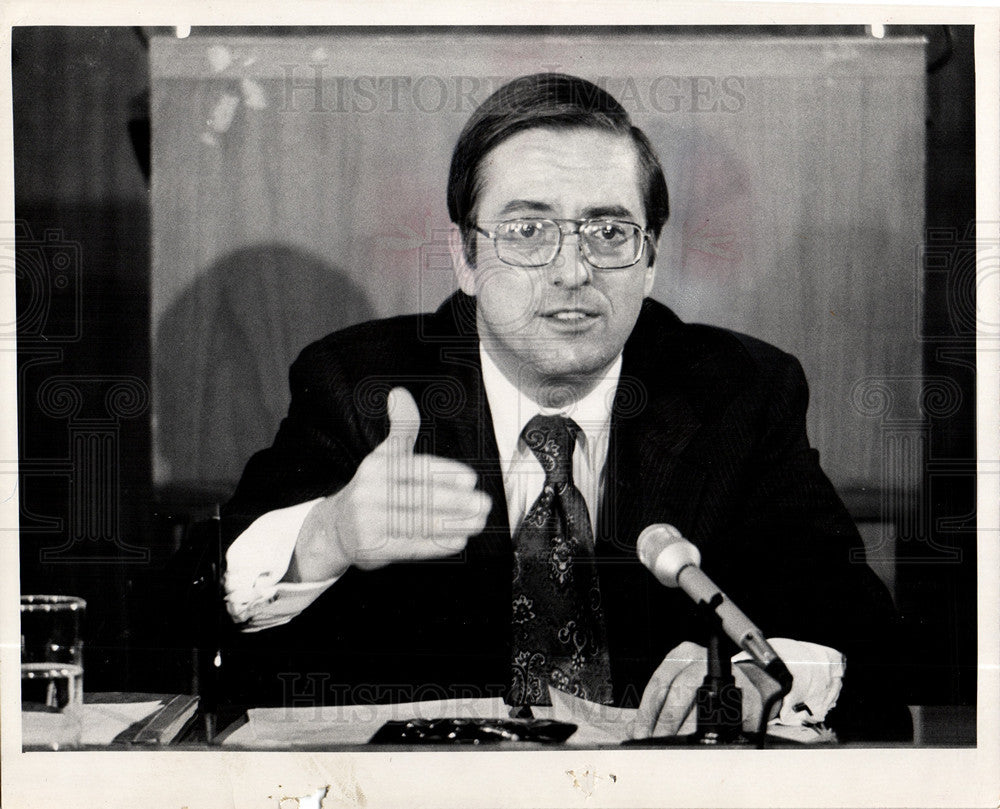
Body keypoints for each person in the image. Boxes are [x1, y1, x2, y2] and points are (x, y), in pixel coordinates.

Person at [219, 72, 910, 741]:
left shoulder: (735, 393)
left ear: (651, 258)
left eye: (609, 232)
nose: (572, 270)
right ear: (465, 257)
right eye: (526, 231)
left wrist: (763, 676)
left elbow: (870, 645)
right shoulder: (362, 390)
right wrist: (327, 535)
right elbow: (178, 616)